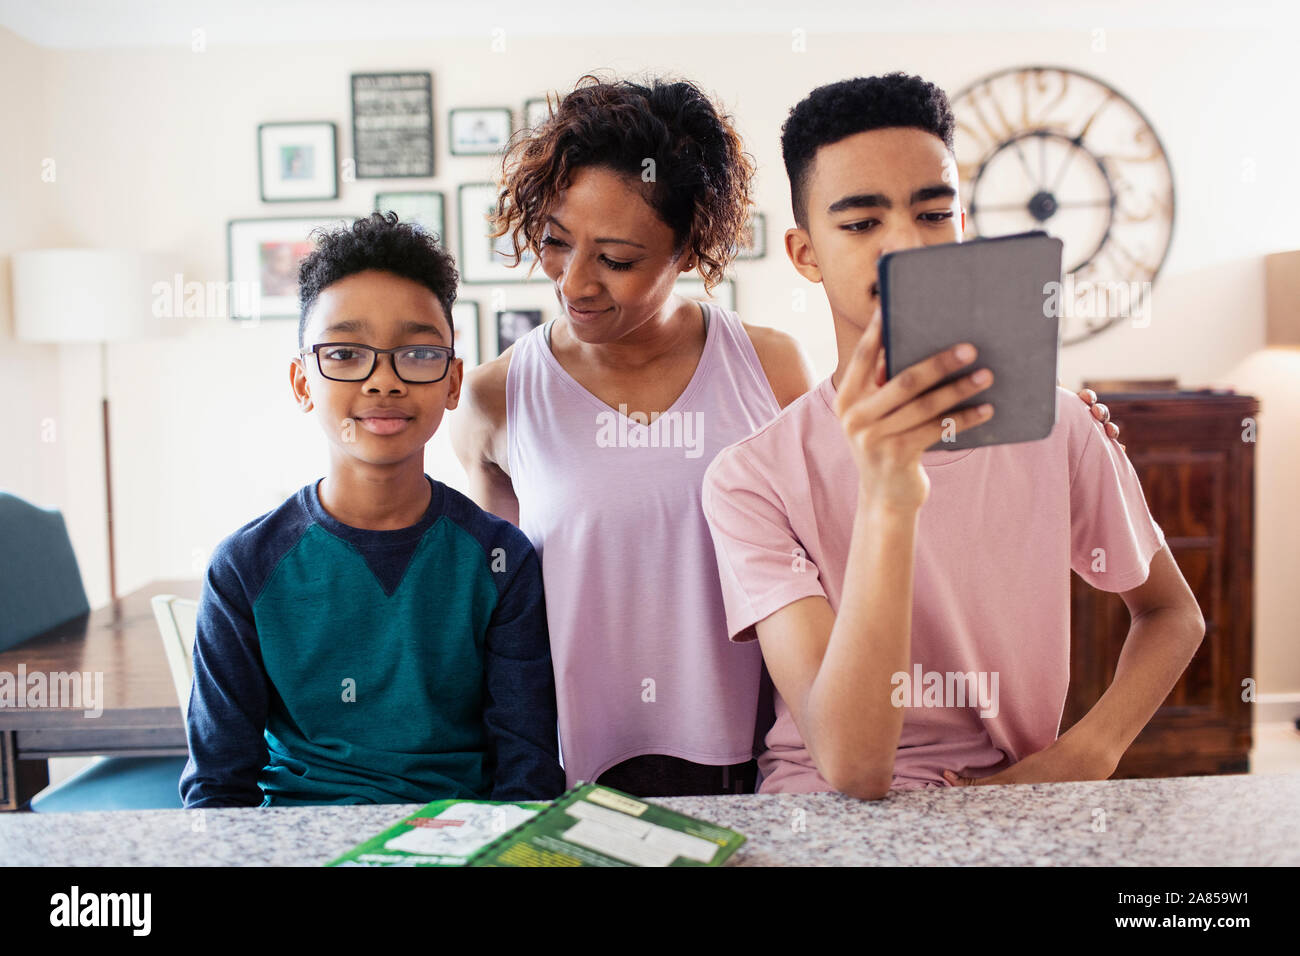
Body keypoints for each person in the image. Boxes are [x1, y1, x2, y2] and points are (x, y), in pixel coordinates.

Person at [452, 74, 1120, 797]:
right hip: (577, 754)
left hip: (762, 745)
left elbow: (847, 514)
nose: (575, 283)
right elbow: (501, 606)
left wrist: (1048, 420)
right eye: (556, 243)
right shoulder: (496, 398)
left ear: (688, 251)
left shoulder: (768, 364)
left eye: (616, 259)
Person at [701, 73, 1205, 799]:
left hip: (1019, 802)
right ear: (806, 253)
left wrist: (1085, 755)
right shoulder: (751, 477)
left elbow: (1170, 613)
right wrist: (888, 496)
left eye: (934, 213)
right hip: (827, 811)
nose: (907, 245)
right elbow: (853, 767)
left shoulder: (1059, 425)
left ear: (963, 224)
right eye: (862, 223)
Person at [181, 212, 564, 808]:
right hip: (299, 841)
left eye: (417, 353)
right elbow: (217, 789)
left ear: (453, 382)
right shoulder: (245, 567)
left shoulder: (500, 561)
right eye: (346, 353)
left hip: (460, 841)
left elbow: (527, 776)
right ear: (303, 382)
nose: (384, 382)